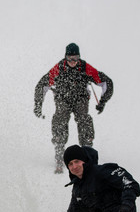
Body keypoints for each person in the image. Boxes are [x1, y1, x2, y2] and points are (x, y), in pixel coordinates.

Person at [34, 43, 114, 173]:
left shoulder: (85, 67)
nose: (73, 62)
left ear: (79, 57)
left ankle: (87, 150)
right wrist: (38, 105)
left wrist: (102, 102)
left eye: (75, 58)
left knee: (84, 119)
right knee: (60, 118)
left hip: (80, 98)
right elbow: (42, 85)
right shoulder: (59, 68)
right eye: (70, 59)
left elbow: (107, 82)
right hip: (62, 98)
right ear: (65, 58)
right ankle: (59, 151)